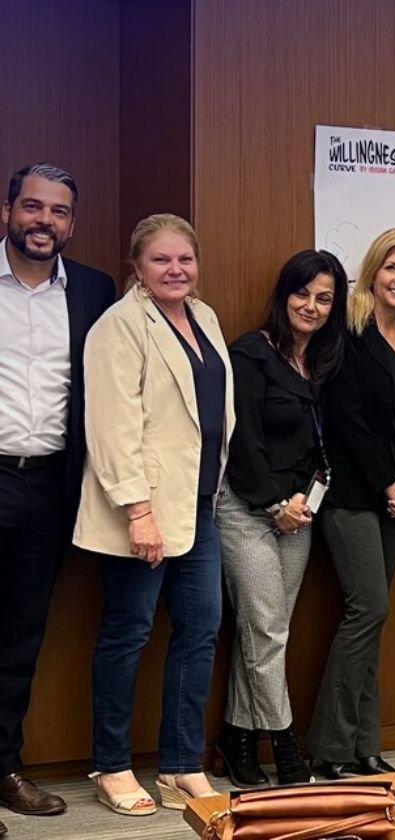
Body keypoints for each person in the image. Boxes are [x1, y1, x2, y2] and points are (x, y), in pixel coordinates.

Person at [74, 214, 234, 816]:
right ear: (137, 266)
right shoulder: (118, 327)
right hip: (141, 510)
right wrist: (139, 512)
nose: (176, 270)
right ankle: (111, 765)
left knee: (200, 632)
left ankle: (181, 763)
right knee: (128, 634)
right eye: (161, 260)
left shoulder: (205, 317)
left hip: (200, 506)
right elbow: (112, 428)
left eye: (185, 259)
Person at [0, 163, 114, 835]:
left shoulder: (95, 291)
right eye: (33, 207)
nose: (44, 220)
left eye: (59, 212)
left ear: (72, 223)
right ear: (9, 209)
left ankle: (5, 763)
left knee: (19, 636)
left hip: (49, 486)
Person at [215, 250, 348, 787]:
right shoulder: (250, 353)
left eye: (323, 298)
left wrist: (299, 505)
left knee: (266, 632)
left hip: (300, 514)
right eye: (302, 293)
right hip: (249, 510)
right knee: (267, 632)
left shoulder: (319, 362)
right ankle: (288, 750)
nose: (311, 306)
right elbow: (239, 440)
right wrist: (275, 503)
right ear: (283, 293)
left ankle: (237, 738)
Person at [308, 228, 395, 777]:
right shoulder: (349, 336)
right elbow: (347, 423)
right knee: (370, 609)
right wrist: (387, 481)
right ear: (373, 272)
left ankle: (364, 746)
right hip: (353, 498)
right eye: (392, 269)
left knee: (372, 618)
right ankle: (330, 747)